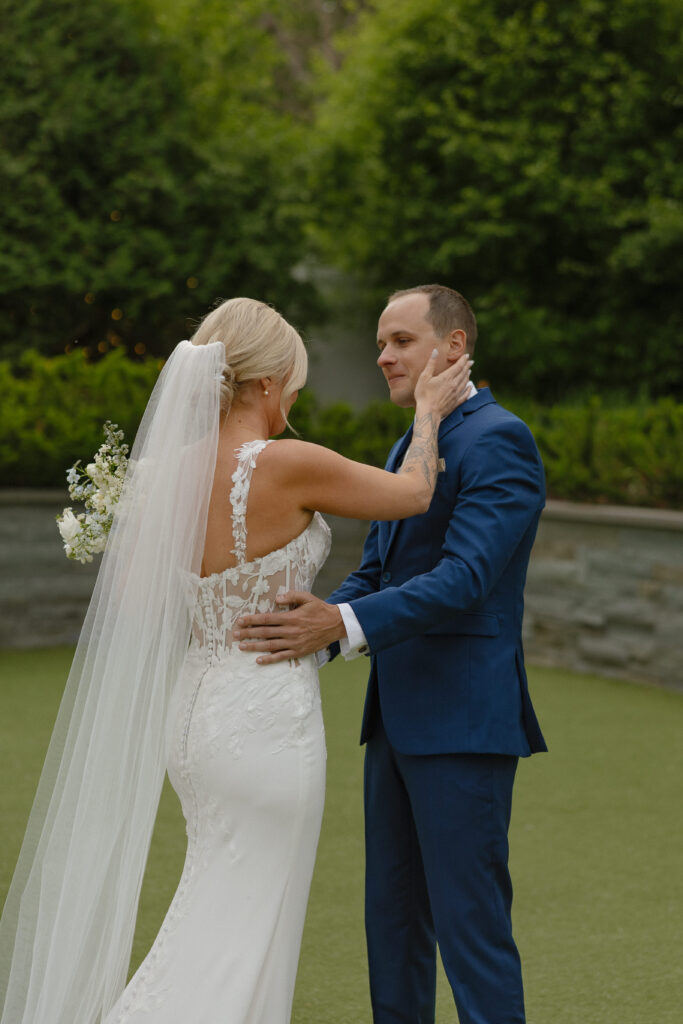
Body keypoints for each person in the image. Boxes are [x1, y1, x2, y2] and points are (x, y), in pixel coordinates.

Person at [0, 297, 472, 1024]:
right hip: (262, 720)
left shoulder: (160, 476)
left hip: (192, 715)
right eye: (293, 385)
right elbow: (413, 493)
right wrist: (431, 409)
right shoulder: (283, 464)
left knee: (214, 897)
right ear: (261, 384)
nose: (294, 401)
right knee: (242, 924)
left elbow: (133, 603)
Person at [234, 284, 548, 1024]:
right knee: (393, 925)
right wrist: (296, 629)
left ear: (454, 347)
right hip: (396, 722)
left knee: (471, 931)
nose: (382, 356)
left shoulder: (500, 438)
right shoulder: (412, 440)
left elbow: (466, 578)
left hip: (464, 724)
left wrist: (338, 623)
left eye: (400, 341)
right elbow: (376, 571)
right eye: (380, 342)